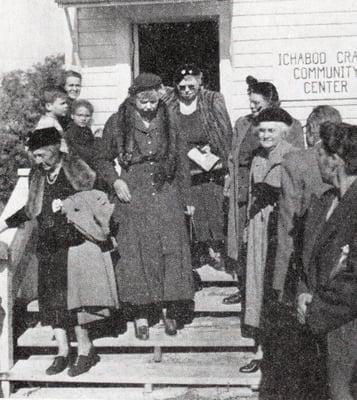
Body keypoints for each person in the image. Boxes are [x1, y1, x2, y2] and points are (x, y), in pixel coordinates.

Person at [0, 127, 119, 377]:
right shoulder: (37, 174)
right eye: (36, 156)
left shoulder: (73, 166)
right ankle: (62, 352)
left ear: (55, 149)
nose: (39, 160)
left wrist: (68, 204)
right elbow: (31, 209)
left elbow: (97, 193)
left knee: (73, 301)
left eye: (42, 155)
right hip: (48, 244)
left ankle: (86, 350)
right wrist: (4, 223)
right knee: (51, 302)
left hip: (73, 243)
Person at [97, 73, 195, 339]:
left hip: (165, 190)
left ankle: (167, 310)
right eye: (144, 103)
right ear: (133, 99)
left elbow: (182, 163)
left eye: (153, 102)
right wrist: (116, 181)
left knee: (170, 249)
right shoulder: (117, 122)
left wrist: (186, 199)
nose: (150, 108)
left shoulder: (170, 119)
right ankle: (141, 314)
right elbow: (103, 159)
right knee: (136, 252)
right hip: (133, 193)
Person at [226, 76, 304, 305]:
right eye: (250, 102)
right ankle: (245, 289)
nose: (252, 107)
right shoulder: (243, 123)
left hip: (270, 192)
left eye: (257, 104)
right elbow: (234, 154)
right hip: (244, 188)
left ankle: (267, 295)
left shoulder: (290, 124)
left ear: (271, 102)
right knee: (242, 241)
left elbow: (294, 160)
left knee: (266, 244)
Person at [297, 122, 357, 400]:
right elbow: (305, 259)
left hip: (347, 327)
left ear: (335, 161)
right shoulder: (323, 203)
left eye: (319, 153)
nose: (315, 158)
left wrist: (317, 308)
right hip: (321, 327)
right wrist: (302, 294)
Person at [241, 107, 298, 374]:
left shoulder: (292, 155)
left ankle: (278, 355)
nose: (264, 135)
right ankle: (260, 349)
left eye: (270, 130)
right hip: (257, 228)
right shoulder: (257, 157)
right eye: (261, 130)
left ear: (283, 132)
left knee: (275, 287)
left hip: (280, 228)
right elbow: (253, 193)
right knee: (256, 285)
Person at [162, 64, 233, 268]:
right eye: (182, 86)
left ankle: (217, 252)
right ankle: (196, 257)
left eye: (190, 86)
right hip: (182, 166)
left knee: (213, 209)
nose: (186, 90)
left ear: (199, 82)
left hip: (209, 166)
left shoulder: (212, 100)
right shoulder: (169, 103)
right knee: (189, 212)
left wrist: (217, 153)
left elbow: (224, 132)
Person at [273, 105, 342, 302]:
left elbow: (287, 223)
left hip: (305, 259)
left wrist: (280, 281)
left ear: (311, 130)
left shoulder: (294, 161)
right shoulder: (346, 158)